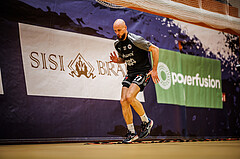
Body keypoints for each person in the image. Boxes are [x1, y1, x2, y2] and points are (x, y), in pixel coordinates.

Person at [110, 19, 160, 143]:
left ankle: (146, 121)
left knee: (130, 97)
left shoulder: (136, 40)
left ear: (125, 28)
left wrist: (154, 69)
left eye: (120, 30)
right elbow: (125, 58)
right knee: (123, 101)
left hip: (143, 72)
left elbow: (155, 49)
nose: (118, 33)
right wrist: (118, 61)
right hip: (131, 73)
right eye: (115, 31)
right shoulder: (117, 44)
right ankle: (131, 132)